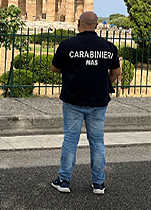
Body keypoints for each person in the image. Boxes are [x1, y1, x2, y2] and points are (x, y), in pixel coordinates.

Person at [50, 11, 121, 195]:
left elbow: (55, 67)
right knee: (97, 142)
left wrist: (72, 70)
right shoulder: (108, 47)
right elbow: (116, 71)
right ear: (97, 25)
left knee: (70, 140)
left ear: (78, 23)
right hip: (98, 100)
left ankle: (64, 180)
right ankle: (98, 183)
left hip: (73, 99)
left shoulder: (68, 45)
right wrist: (105, 82)